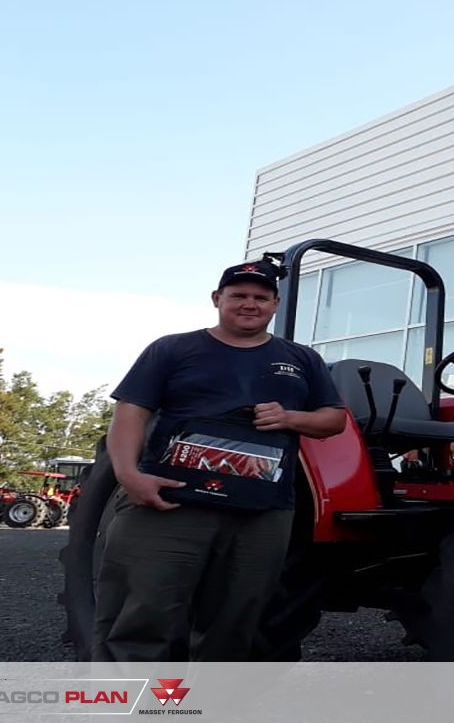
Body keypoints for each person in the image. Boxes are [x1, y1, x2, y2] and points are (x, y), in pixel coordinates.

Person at [92, 258, 345, 662]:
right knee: (144, 614)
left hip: (261, 514)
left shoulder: (302, 359)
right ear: (217, 298)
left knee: (235, 624)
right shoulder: (172, 349)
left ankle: (209, 697)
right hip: (172, 504)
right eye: (239, 295)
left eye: (260, 297)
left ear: (275, 304)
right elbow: (130, 413)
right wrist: (128, 475)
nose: (250, 304)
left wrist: (289, 418)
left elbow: (334, 419)